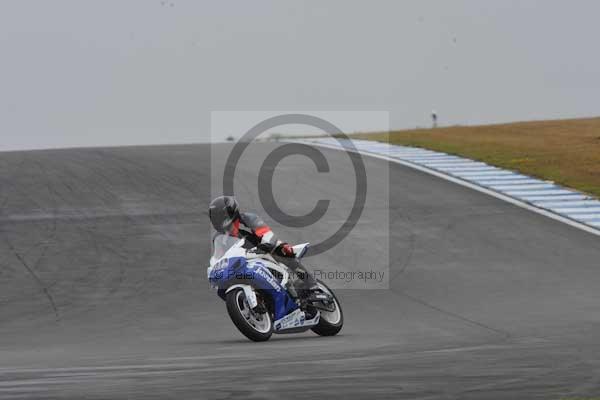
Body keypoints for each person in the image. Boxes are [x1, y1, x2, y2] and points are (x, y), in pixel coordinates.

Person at [208, 195, 318, 301]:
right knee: (221, 288)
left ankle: (312, 286)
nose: (229, 229)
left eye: (230, 224)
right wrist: (213, 268)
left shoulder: (249, 218)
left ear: (233, 214)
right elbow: (219, 257)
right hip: (244, 263)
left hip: (263, 250)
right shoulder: (219, 238)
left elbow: (265, 232)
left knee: (283, 250)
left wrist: (267, 243)